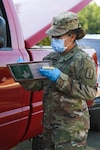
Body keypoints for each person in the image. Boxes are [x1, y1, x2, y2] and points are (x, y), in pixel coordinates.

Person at [20, 11, 97, 150]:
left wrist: (59, 78)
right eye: (52, 36)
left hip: (71, 128)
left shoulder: (83, 60)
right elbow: (39, 84)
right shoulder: (51, 58)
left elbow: (90, 92)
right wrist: (23, 75)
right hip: (49, 124)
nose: (54, 39)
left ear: (72, 36)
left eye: (58, 36)